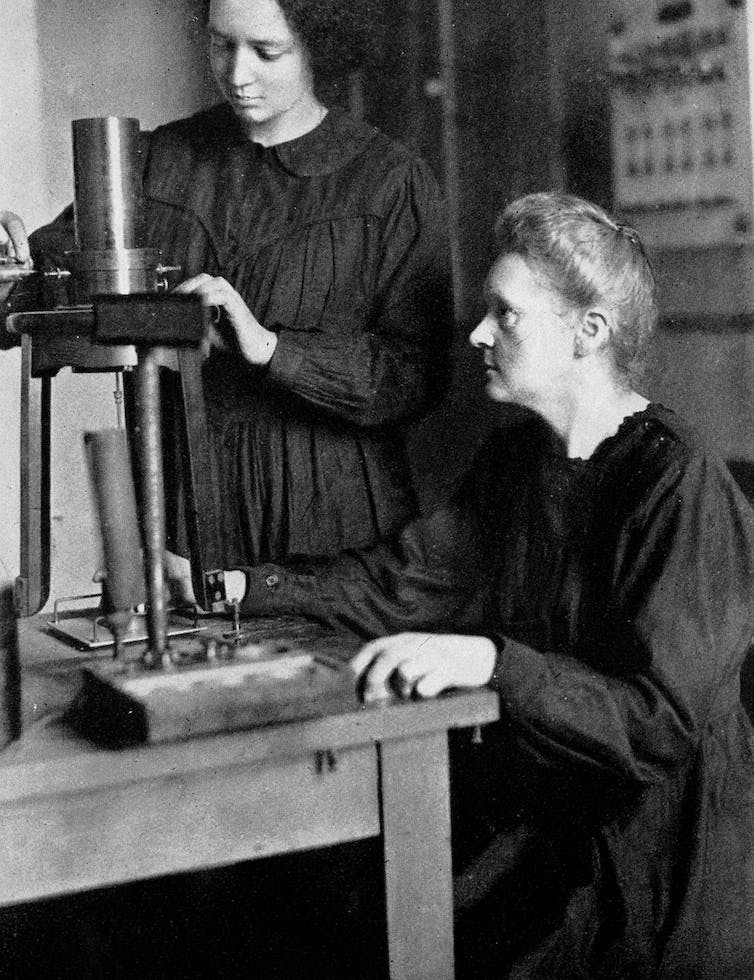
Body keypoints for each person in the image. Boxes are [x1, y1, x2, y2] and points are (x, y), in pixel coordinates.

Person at [229, 192, 754, 978]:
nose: (478, 333)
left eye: (505, 315)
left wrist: (488, 662)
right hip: (558, 828)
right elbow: (397, 585)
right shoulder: (515, 463)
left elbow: (658, 720)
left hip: (662, 861)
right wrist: (238, 586)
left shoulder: (678, 481)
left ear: (590, 332)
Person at [0, 0, 452, 577]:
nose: (237, 75)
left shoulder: (388, 182)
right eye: (221, 45)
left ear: (316, 45)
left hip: (336, 524)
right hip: (189, 523)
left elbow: (418, 374)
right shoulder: (157, 162)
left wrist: (271, 347)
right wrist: (11, 268)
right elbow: (42, 286)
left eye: (267, 51)